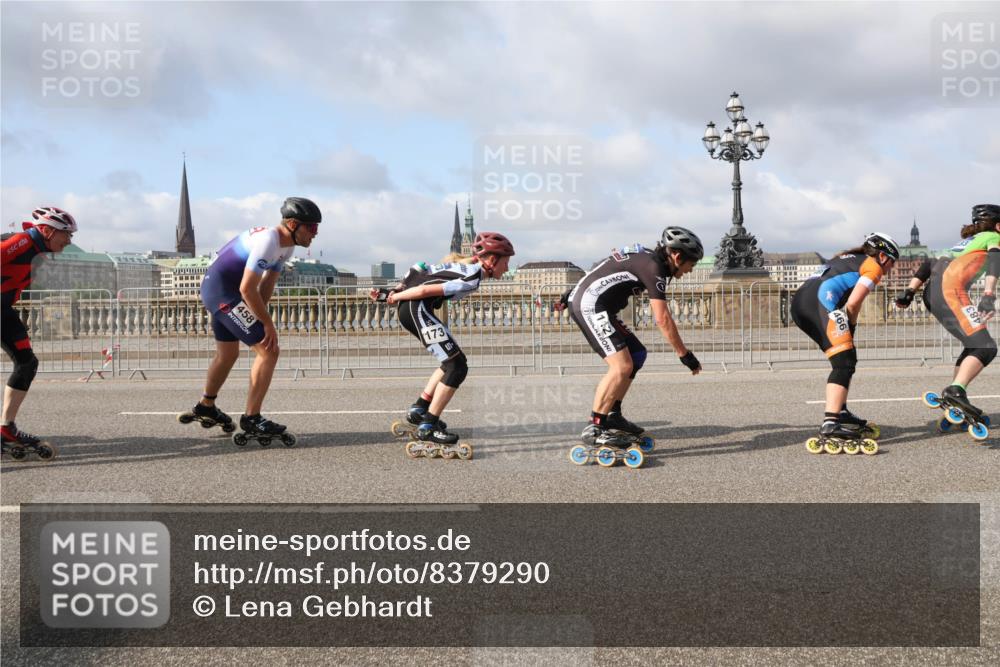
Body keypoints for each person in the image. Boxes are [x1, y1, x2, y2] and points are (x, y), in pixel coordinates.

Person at [187, 196, 321, 441]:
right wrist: (266, 324)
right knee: (269, 350)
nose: (315, 233)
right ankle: (252, 418)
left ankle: (206, 405)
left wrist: (258, 318)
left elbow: (267, 284)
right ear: (293, 224)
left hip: (225, 291)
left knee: (228, 354)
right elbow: (248, 288)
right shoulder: (269, 241)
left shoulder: (287, 246)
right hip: (223, 292)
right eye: (311, 227)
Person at [372, 232, 515, 456]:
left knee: (452, 361)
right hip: (417, 309)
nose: (507, 268)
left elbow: (417, 268)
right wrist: (395, 297)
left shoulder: (465, 267)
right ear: (492, 260)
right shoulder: (472, 277)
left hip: (414, 309)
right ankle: (428, 426)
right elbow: (424, 290)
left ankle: (420, 409)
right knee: (457, 367)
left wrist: (396, 290)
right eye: (506, 262)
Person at [566, 226, 704, 449]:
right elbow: (662, 319)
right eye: (692, 264)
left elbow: (607, 263)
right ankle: (595, 427)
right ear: (677, 256)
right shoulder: (654, 267)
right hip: (590, 306)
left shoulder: (647, 257)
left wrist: (575, 289)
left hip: (596, 304)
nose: (690, 270)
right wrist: (684, 354)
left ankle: (613, 414)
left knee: (637, 354)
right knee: (621, 366)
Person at [791, 232, 899, 451]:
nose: (890, 269)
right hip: (819, 305)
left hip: (801, 303)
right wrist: (851, 325)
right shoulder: (873, 267)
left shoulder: (845, 257)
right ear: (882, 256)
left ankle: (839, 410)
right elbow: (853, 303)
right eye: (892, 263)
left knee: (845, 358)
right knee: (844, 362)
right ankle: (831, 422)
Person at [895, 204, 998, 420]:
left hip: (932, 292)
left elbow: (928, 262)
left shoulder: (965, 243)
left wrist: (909, 292)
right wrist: (988, 294)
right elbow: (995, 261)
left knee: (974, 344)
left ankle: (956, 397)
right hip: (951, 291)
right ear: (998, 226)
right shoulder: (993, 237)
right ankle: (955, 392)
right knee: (986, 347)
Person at [1, 207, 77, 459]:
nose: (69, 240)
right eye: (66, 234)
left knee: (27, 363)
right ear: (46, 231)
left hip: (3, 310)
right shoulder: (22, 242)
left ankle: (6, 428)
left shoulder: (38, 250)